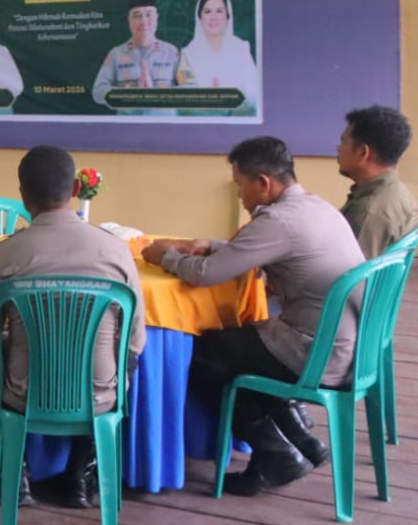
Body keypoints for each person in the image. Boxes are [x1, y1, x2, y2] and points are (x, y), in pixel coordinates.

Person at [144, 137, 364, 495]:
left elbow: (204, 274)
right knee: (234, 349)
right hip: (346, 344)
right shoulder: (315, 206)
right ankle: (300, 439)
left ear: (263, 182)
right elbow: (250, 251)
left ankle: (276, 453)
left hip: (314, 353)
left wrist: (163, 257)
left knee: (204, 355)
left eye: (240, 185)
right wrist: (211, 246)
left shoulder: (278, 221)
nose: (239, 196)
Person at [0, 146, 146, 508]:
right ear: (76, 190)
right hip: (99, 392)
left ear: (23, 195)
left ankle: (16, 476)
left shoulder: (2, 255)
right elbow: (135, 342)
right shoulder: (116, 251)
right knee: (115, 357)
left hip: (21, 391)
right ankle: (80, 475)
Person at [90, 0, 193, 115]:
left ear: (157, 18)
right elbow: (98, 92)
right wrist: (132, 95)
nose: (144, 21)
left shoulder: (173, 52)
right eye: (137, 15)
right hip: (127, 129)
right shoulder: (116, 54)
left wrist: (155, 96)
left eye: (149, 14)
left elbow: (191, 89)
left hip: (165, 129)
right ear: (129, 20)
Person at [337, 105, 418, 259]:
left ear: (363, 152)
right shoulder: (398, 191)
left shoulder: (368, 213)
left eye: (343, 142)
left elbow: (356, 279)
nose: (338, 149)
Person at [179, 0, 259, 110]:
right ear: (200, 17)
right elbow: (184, 100)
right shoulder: (186, 54)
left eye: (219, 11)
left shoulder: (241, 49)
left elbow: (254, 94)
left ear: (227, 16)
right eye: (207, 11)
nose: (213, 17)